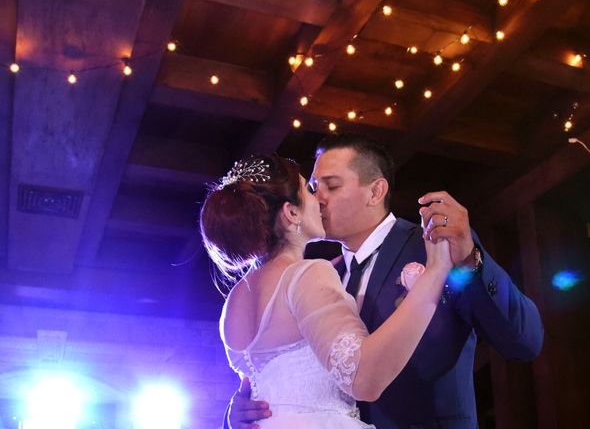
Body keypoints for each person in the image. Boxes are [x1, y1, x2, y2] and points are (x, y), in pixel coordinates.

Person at [227, 134, 544, 429]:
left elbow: (524, 340)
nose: (318, 198)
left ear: (375, 191)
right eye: (312, 187)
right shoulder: (315, 276)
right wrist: (252, 406)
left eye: (332, 186)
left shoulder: (435, 246)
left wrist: (470, 258)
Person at [201, 154, 454, 428]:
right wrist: (436, 271)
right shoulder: (306, 274)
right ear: (291, 213)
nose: (318, 199)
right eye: (308, 190)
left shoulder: (234, 301)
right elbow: (364, 379)